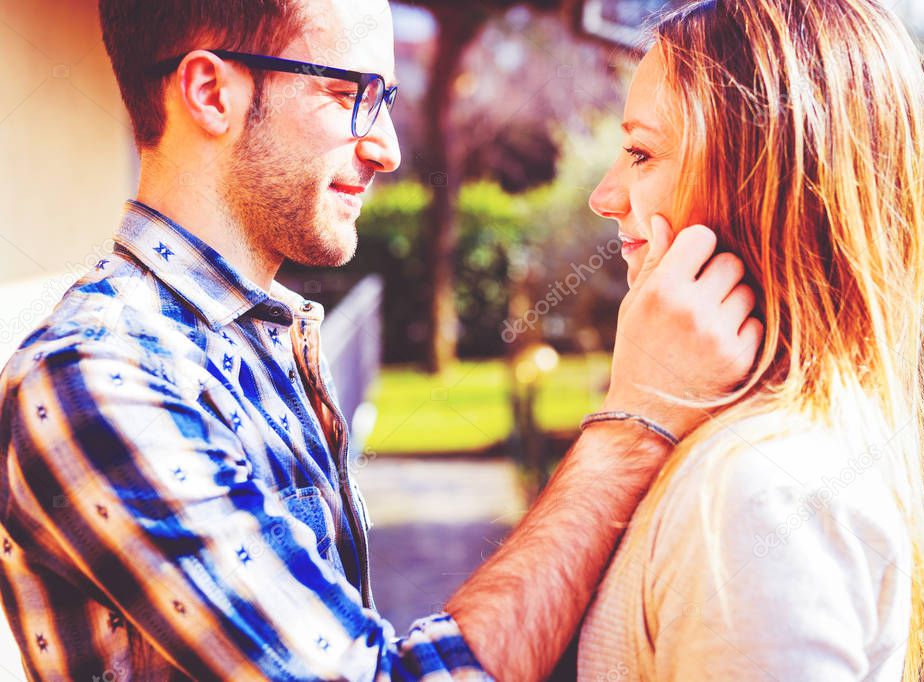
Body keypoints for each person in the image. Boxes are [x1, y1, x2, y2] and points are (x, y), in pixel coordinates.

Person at [0, 0, 763, 679]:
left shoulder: (255, 339)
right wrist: (628, 429)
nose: (388, 148)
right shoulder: (103, 375)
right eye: (349, 94)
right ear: (210, 93)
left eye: (386, 100)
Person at [579, 1, 924, 680]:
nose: (604, 195)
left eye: (641, 152)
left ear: (764, 178)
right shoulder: (747, 461)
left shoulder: (762, 492)